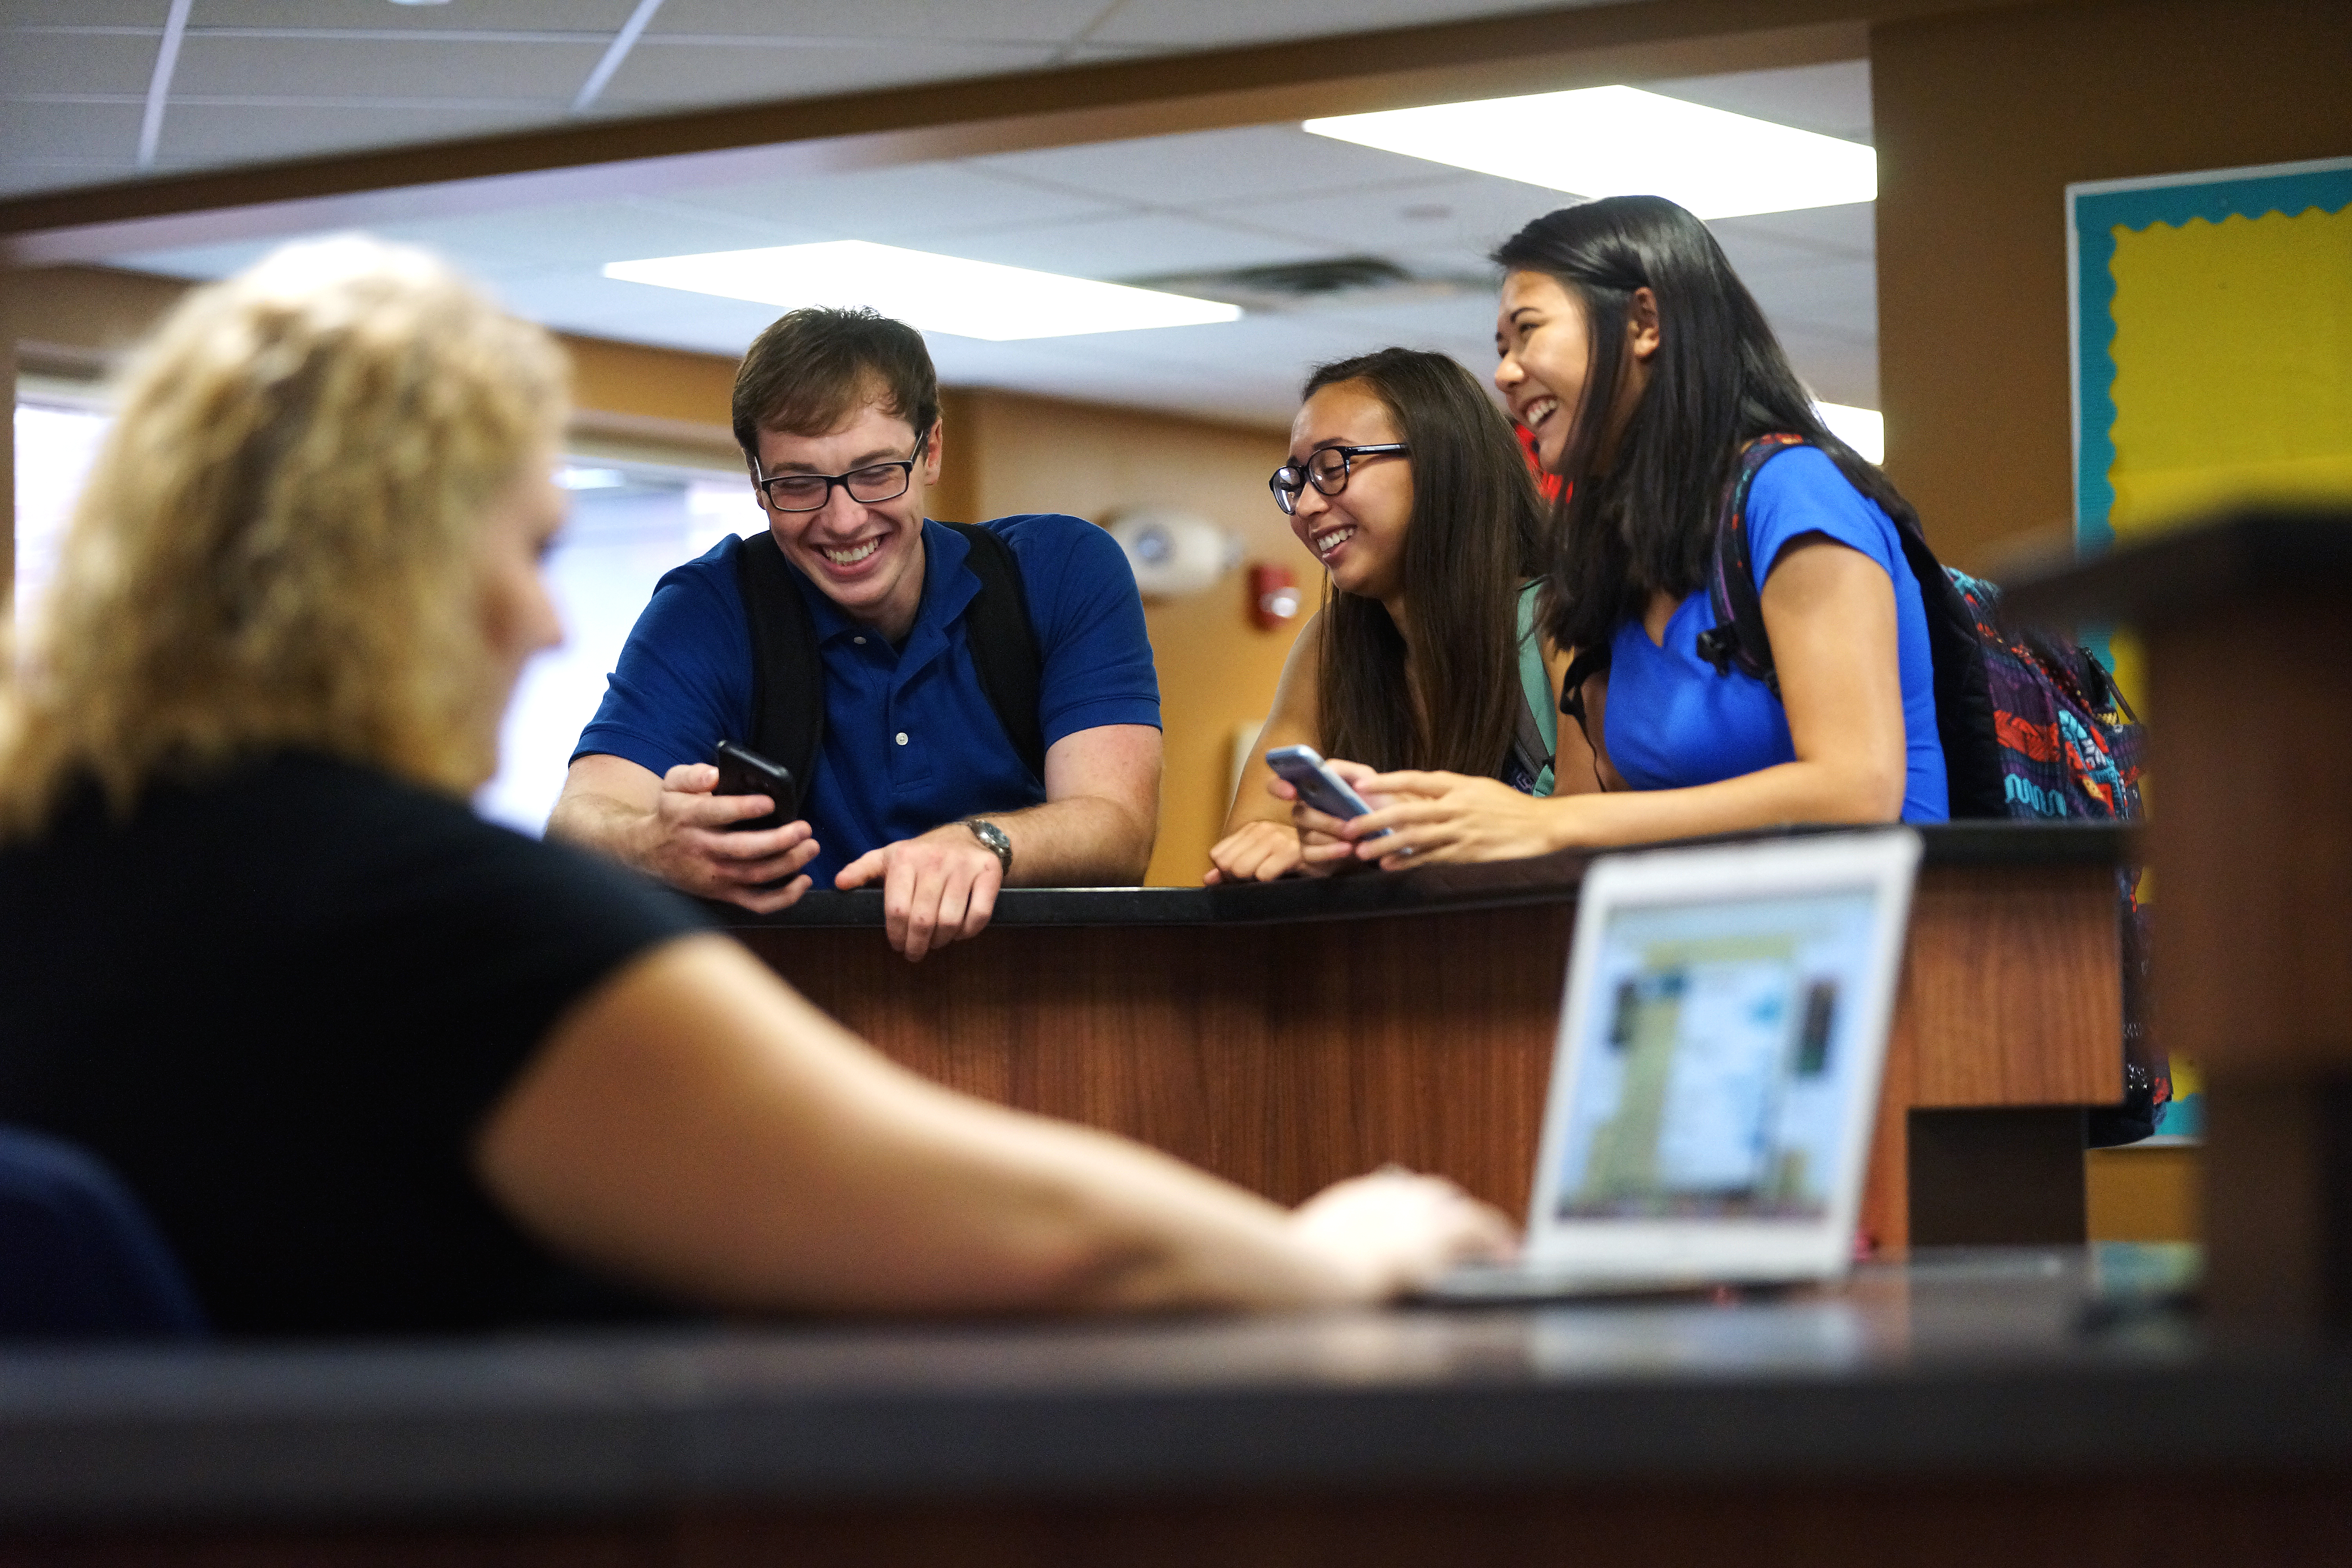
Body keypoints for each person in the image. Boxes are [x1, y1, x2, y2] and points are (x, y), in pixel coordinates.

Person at [0, 240, 1511, 1337]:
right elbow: (1018, 1234)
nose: (540, 623)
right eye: (526, 556)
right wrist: (1325, 1259)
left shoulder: (54, 863)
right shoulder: (441, 923)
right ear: (387, 573)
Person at [1307, 197, 1948, 869]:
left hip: (1870, 942)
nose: (1504, 372)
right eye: (1501, 348)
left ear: (1644, 323)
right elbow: (1608, 819)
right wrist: (1397, 833)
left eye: (1528, 332)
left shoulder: (1792, 491)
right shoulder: (1612, 555)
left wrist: (1553, 824)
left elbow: (1857, 788)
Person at [548, 307, 1160, 961]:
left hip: (1034, 1011)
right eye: (799, 483)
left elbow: (1119, 829)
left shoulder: (1059, 570)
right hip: (802, 1015)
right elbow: (579, 821)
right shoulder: (710, 608)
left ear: (931, 452)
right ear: (757, 483)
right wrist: (652, 843)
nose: (843, 520)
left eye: (874, 473)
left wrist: (981, 844)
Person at [1205, 348, 1601, 884]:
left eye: (1333, 467)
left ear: (1442, 466)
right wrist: (1299, 847)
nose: (1305, 506)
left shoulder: (1562, 622)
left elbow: (1589, 842)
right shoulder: (1330, 645)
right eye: (1296, 480)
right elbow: (1248, 838)